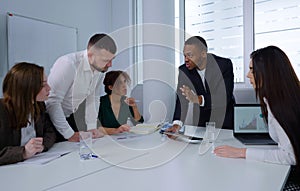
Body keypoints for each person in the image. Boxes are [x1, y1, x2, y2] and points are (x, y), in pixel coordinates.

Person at [213, 46, 300, 189]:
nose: (248, 75)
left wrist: (241, 152)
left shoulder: (280, 105)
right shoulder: (286, 97)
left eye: (252, 70)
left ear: (268, 73)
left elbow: (290, 157)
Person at [46, 33, 117, 142]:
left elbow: (93, 98)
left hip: (69, 116)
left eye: (112, 59)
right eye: (105, 60)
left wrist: (92, 127)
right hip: (49, 119)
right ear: (90, 55)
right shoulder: (68, 64)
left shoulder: (99, 68)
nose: (110, 65)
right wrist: (69, 134)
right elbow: (53, 101)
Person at [169, 36, 235, 132]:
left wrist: (198, 99)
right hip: (202, 121)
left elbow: (224, 97)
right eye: (185, 55)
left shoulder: (223, 65)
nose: (186, 59)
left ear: (203, 54)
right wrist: (177, 124)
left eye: (190, 55)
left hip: (224, 119)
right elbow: (181, 99)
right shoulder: (184, 70)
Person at [0, 62, 56, 165]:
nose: (49, 88)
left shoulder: (39, 105)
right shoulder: (2, 111)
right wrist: (23, 152)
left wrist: (42, 146)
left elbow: (50, 132)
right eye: (43, 85)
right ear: (27, 89)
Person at [98, 71, 144, 135]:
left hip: (121, 140)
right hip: (102, 141)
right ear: (111, 87)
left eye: (124, 81)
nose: (124, 85)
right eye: (119, 83)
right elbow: (96, 128)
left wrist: (134, 107)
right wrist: (116, 130)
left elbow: (138, 123)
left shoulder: (126, 101)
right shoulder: (100, 103)